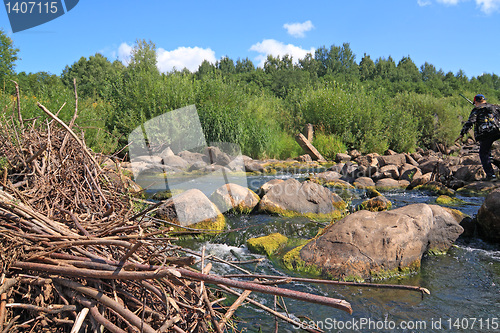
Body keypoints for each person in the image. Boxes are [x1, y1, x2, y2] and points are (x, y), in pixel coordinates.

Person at [455, 94, 500, 181]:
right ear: (484, 100)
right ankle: (493, 165)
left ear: (476, 102)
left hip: (486, 133)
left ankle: (491, 175)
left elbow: (470, 122)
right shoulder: (495, 107)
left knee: (483, 153)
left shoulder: (476, 109)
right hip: (497, 132)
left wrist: (462, 133)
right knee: (488, 153)